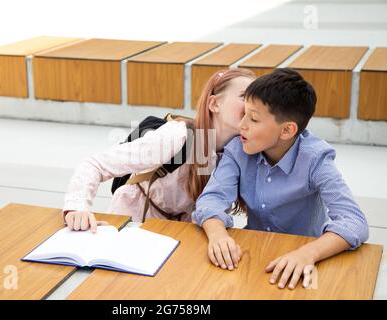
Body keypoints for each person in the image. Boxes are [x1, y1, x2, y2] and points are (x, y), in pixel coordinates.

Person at [193, 68, 369, 290]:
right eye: (244, 114)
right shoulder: (238, 149)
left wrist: (308, 253)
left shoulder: (315, 159)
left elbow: (354, 221)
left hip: (304, 264)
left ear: (287, 130)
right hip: (255, 256)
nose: (242, 125)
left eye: (254, 119)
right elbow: (211, 199)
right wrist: (218, 235)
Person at [63, 68, 256, 232]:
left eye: (255, 99)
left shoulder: (242, 150)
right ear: (215, 104)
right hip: (133, 219)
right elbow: (96, 164)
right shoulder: (177, 136)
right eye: (244, 97)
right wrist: (76, 208)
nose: (252, 105)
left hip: (180, 230)